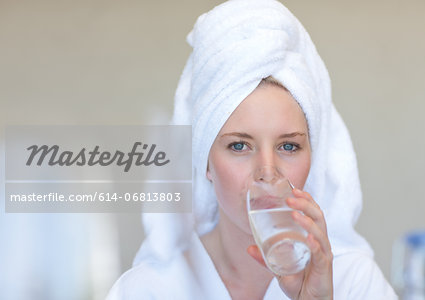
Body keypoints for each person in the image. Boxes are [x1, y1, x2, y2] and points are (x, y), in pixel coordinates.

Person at [107, 0, 397, 299]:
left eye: (288, 146)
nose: (267, 173)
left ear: (314, 155)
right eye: (239, 146)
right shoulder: (148, 290)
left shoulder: (355, 282)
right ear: (205, 161)